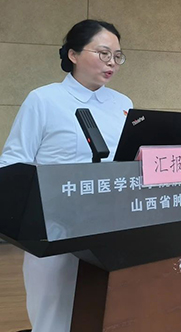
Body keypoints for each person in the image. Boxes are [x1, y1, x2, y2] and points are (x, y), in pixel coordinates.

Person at [0, 19, 133, 332]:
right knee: (54, 312)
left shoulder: (122, 104)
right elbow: (13, 161)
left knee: (104, 308)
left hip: (111, 222)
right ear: (73, 54)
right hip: (55, 225)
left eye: (117, 56)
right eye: (103, 53)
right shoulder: (44, 99)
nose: (112, 63)